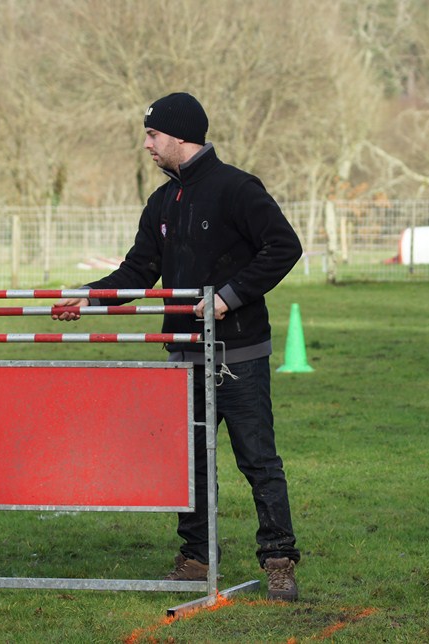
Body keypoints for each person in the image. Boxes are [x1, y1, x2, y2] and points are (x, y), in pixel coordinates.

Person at [53, 93, 302, 600]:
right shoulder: (162, 202)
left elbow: (284, 246)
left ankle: (279, 561)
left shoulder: (237, 189)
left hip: (239, 358)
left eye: (152, 134)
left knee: (258, 461)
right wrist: (88, 297)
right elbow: (137, 272)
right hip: (183, 358)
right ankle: (195, 559)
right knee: (189, 464)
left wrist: (229, 298)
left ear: (180, 134)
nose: (146, 144)